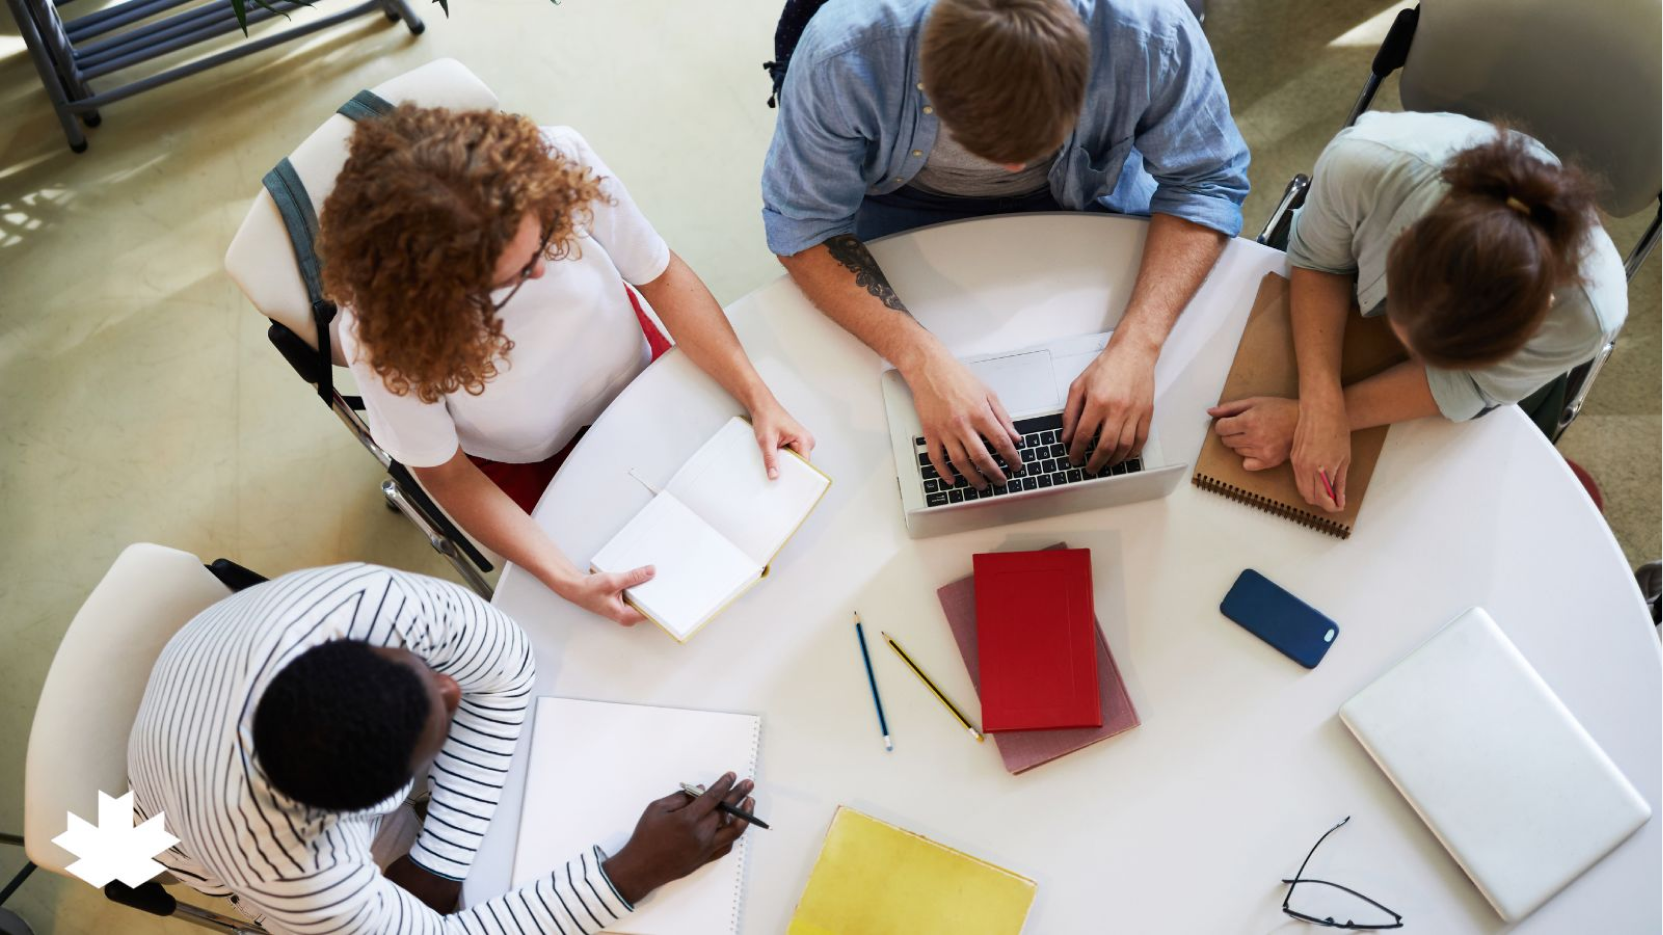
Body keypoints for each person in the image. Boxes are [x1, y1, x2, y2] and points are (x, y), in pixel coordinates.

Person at [318, 106, 814, 625]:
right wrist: (567, 579)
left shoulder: (556, 158)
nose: (540, 271)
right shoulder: (383, 333)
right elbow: (446, 474)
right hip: (523, 459)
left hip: (634, 369)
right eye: (506, 280)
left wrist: (758, 395)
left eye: (543, 237)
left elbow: (659, 275)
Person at [761, 0, 1249, 488]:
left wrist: (1139, 347)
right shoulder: (844, 52)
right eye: (980, 141)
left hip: (1083, 196)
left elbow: (1205, 182)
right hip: (901, 203)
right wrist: (921, 361)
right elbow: (806, 228)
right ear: (926, 74)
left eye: (1036, 142)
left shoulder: (1150, 29)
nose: (1013, 168)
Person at [128, 564, 756, 934]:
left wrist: (436, 867)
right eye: (440, 720)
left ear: (351, 648)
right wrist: (631, 872)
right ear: (377, 806)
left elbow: (506, 669)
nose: (451, 685)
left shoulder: (367, 605)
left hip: (187, 698)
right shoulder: (294, 870)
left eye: (418, 669)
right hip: (166, 830)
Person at [1208, 112, 1626, 512]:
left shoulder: (1587, 316)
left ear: (1540, 316)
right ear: (1402, 241)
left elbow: (1470, 384)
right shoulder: (1361, 163)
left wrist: (1318, 418)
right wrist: (1319, 408)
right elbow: (1319, 263)